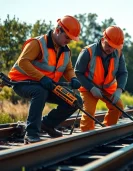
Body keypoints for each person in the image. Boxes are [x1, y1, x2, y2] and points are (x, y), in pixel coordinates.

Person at [8, 15, 83, 144]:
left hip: (47, 85)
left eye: (71, 39)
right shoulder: (37, 44)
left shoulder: (66, 51)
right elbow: (23, 62)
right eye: (67, 37)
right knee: (40, 92)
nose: (68, 41)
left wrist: (73, 78)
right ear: (58, 30)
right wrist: (42, 78)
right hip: (22, 83)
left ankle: (47, 125)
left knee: (75, 101)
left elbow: (68, 69)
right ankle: (31, 133)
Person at [75, 25, 128, 131]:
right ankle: (86, 137)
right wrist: (91, 88)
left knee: (118, 107)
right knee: (89, 113)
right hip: (89, 88)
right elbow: (78, 73)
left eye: (114, 47)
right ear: (103, 39)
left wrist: (119, 90)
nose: (111, 49)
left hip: (107, 89)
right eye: (109, 45)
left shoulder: (118, 53)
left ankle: (107, 131)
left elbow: (123, 73)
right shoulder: (87, 52)